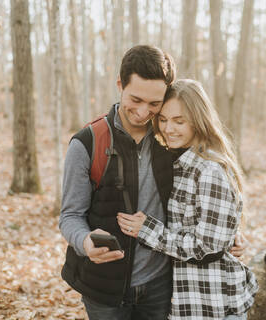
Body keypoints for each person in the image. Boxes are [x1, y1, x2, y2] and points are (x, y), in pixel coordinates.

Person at [59, 45, 245, 320]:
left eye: (154, 104)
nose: (144, 112)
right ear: (120, 84)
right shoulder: (88, 143)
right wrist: (84, 242)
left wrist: (227, 233)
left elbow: (203, 196)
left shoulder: (170, 140)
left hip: (161, 286)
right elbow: (70, 216)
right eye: (136, 99)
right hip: (103, 289)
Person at [117, 79, 258, 320]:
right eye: (163, 119)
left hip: (215, 305)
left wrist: (148, 231)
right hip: (191, 303)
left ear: (198, 120)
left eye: (178, 121)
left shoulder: (209, 170)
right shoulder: (181, 162)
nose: (168, 128)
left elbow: (207, 247)